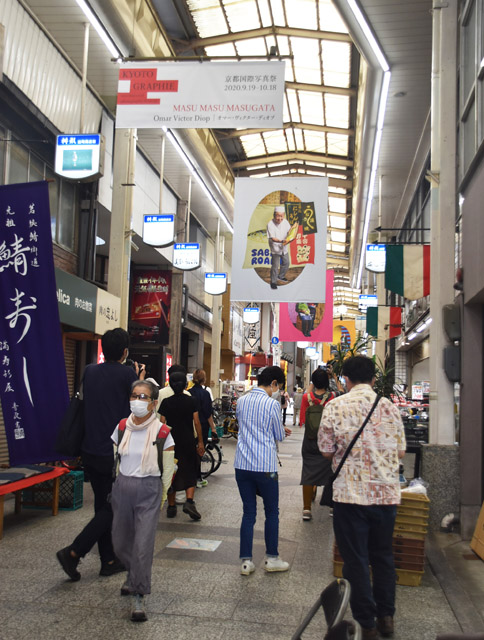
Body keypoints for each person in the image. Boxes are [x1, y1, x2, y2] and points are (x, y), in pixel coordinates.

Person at [319, 356, 406, 639]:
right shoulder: (390, 408)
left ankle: (366, 623)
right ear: (372, 378)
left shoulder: (334, 406)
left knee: (355, 559)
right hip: (385, 496)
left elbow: (326, 450)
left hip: (349, 497)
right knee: (382, 556)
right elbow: (401, 451)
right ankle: (387, 617)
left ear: (346, 378)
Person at [56, 328, 139, 581]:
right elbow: (137, 411)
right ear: (125, 352)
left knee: (103, 505)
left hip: (89, 450)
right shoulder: (127, 374)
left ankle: (108, 561)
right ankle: (74, 552)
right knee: (115, 505)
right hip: (113, 453)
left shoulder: (90, 371)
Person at [110, 379, 175, 622]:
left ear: (154, 403)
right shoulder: (120, 428)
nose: (137, 401)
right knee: (119, 542)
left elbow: (167, 470)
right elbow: (115, 460)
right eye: (134, 395)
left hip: (149, 488)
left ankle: (139, 594)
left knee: (142, 545)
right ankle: (132, 574)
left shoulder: (163, 433)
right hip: (122, 486)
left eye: (143, 397)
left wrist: (162, 496)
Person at [234, 365, 292, 575]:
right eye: (278, 386)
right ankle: (272, 558)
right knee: (271, 512)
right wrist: (284, 431)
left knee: (249, 512)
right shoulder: (271, 405)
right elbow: (278, 434)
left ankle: (246, 562)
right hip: (265, 466)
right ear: (274, 383)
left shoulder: (241, 401)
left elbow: (246, 427)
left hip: (242, 465)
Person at [159, 371, 205, 520]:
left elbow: (162, 424)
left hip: (171, 442)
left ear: (170, 385)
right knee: (190, 469)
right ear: (186, 385)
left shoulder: (166, 402)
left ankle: (171, 506)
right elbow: (196, 422)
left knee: (172, 471)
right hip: (187, 441)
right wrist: (200, 441)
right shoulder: (191, 401)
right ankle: (189, 501)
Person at [299, 368, 335, 521]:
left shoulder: (307, 397)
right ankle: (333, 507)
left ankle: (307, 509)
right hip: (327, 440)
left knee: (308, 472)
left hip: (310, 440)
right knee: (332, 471)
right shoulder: (332, 397)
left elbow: (302, 421)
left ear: (313, 382)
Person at [189, 368, 217, 487]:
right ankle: (197, 477)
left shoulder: (188, 392)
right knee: (200, 451)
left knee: (190, 451)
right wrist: (213, 428)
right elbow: (208, 413)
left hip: (190, 425)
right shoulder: (205, 394)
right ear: (204, 379)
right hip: (202, 426)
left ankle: (191, 477)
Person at [266, 205, 291, 290]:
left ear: (283, 215)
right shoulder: (270, 224)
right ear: (274, 215)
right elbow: (273, 238)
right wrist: (282, 241)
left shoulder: (286, 222)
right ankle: (273, 282)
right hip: (275, 248)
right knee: (275, 266)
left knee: (286, 263)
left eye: (281, 216)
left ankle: (281, 276)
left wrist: (291, 235)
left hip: (283, 247)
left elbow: (289, 231)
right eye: (278, 216)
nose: (279, 218)